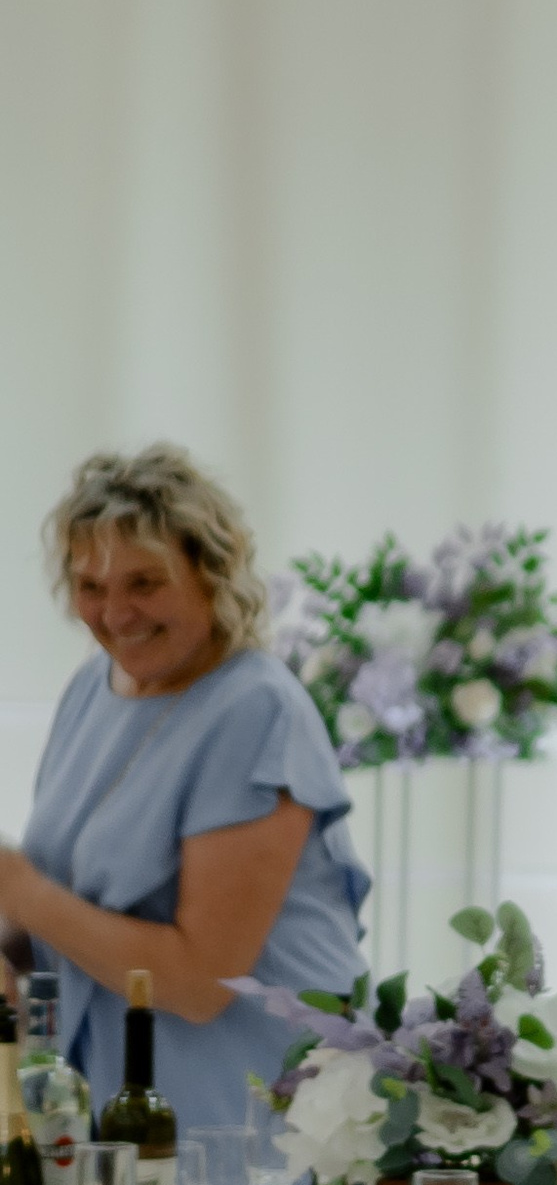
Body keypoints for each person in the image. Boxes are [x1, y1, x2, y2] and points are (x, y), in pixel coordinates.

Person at [0, 447, 369, 1137]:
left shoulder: (254, 709)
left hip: (236, 1102)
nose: (115, 614)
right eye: (90, 585)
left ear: (211, 576)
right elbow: (72, 897)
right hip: (101, 1092)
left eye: (144, 582)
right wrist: (11, 946)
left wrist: (19, 891)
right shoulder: (91, 689)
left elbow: (202, 980)